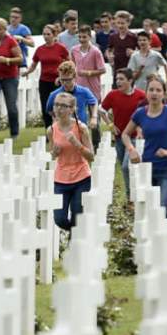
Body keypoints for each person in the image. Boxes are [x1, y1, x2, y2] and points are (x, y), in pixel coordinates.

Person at [122, 77, 167, 243]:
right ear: (146, 93)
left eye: (158, 90)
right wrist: (131, 150)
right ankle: (155, 242)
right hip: (147, 167)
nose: (154, 93)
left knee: (160, 209)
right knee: (151, 208)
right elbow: (125, 134)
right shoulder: (140, 113)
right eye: (151, 90)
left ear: (164, 94)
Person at [48, 91, 94, 231]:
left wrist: (77, 145)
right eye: (56, 105)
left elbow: (91, 156)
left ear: (72, 109)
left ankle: (75, 245)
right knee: (60, 218)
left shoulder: (81, 129)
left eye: (63, 106)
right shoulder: (51, 130)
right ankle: (76, 234)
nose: (59, 109)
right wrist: (54, 152)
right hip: (61, 179)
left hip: (81, 177)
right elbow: (53, 155)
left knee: (77, 217)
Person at [101, 68, 146, 196]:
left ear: (130, 81)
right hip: (119, 137)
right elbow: (101, 110)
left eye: (121, 79)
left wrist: (140, 130)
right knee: (124, 166)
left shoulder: (141, 96)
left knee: (127, 166)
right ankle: (133, 192)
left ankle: (130, 195)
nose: (118, 82)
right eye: (117, 79)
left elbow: (146, 114)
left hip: (134, 137)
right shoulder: (112, 95)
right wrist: (111, 125)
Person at [24, 24, 70, 127]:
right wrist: (27, 72)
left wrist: (64, 76)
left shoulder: (61, 48)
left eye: (48, 34)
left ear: (54, 35)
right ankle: (49, 131)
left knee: (58, 106)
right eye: (44, 34)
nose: (46, 36)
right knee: (46, 107)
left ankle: (59, 128)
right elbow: (34, 64)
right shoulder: (40, 49)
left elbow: (69, 63)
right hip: (44, 81)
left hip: (57, 81)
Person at [46, 61, 98, 130]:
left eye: (68, 80)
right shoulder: (54, 95)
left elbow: (94, 103)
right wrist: (57, 117)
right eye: (62, 80)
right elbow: (50, 110)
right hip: (62, 130)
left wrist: (94, 117)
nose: (64, 83)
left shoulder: (84, 92)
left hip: (80, 129)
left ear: (74, 77)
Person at [106, 11, 138, 80]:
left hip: (129, 69)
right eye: (118, 23)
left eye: (123, 23)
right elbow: (108, 50)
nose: (120, 26)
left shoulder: (134, 37)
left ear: (128, 23)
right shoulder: (113, 36)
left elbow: (141, 52)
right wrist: (109, 56)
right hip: (117, 69)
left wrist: (134, 53)